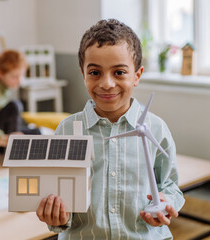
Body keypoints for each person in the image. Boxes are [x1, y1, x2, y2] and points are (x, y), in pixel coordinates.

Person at [35, 19, 185, 239]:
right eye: (95, 72)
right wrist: (58, 217)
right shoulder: (67, 129)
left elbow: (170, 184)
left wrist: (166, 202)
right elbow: (58, 195)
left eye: (119, 72)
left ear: (137, 75)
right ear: (82, 73)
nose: (107, 83)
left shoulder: (156, 128)